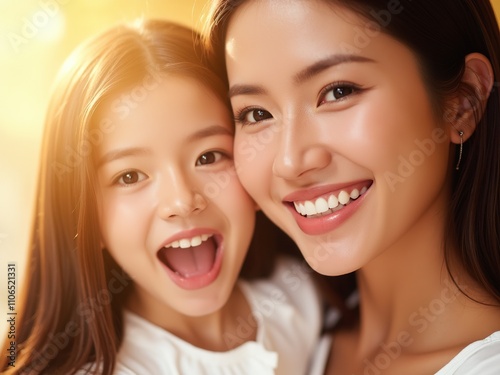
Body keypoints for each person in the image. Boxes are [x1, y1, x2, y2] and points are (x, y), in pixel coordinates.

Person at [0, 19, 323, 375]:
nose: (182, 201)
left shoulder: (301, 296)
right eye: (129, 176)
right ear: (84, 215)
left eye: (209, 156)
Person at [204, 0, 500, 373]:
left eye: (338, 92)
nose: (290, 161)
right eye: (256, 114)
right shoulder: (291, 338)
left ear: (463, 102)